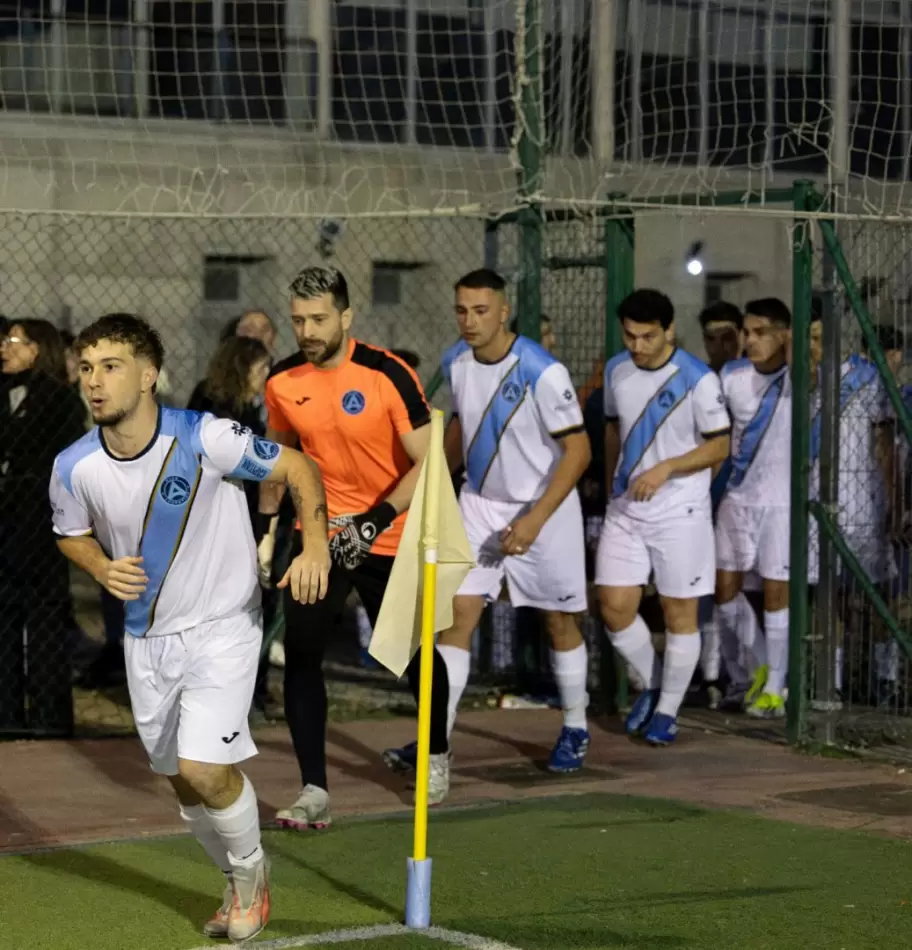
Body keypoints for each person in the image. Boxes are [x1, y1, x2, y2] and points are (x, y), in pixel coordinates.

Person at [49, 313, 331, 942]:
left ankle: (253, 878)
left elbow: (299, 469)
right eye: (88, 369)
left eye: (112, 367)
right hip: (146, 639)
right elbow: (69, 534)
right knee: (179, 776)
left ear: (149, 376)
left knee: (203, 766)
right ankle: (234, 876)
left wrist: (314, 546)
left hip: (224, 626)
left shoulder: (207, 437)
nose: (95, 382)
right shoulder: (73, 466)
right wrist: (100, 563)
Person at [257, 265, 452, 825]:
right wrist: (264, 533)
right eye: (298, 320)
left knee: (413, 655)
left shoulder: (386, 373)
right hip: (322, 537)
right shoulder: (283, 380)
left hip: (388, 531)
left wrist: (377, 517)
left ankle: (435, 753)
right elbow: (279, 461)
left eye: (319, 319)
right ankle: (314, 787)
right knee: (302, 653)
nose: (307, 330)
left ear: (346, 317)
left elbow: (429, 460)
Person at [386, 269, 593, 772]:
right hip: (478, 504)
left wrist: (536, 519)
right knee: (455, 620)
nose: (469, 321)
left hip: (545, 508)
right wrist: (438, 478)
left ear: (503, 312)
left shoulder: (543, 371)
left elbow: (579, 451)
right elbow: (462, 427)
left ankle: (576, 727)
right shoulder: (456, 361)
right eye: (461, 310)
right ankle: (437, 742)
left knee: (558, 622)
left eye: (480, 311)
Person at [596, 289, 731, 746]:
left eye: (648, 336)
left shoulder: (697, 380)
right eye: (630, 336)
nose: (637, 346)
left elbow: (720, 445)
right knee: (614, 606)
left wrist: (669, 469)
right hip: (626, 506)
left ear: (669, 331)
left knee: (679, 613)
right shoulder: (616, 370)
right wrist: (613, 477)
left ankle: (668, 711)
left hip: (679, 509)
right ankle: (654, 683)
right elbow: (614, 427)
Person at [0, 318, 87, 733]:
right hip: (5, 524)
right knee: (4, 619)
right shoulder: (4, 393)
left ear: (39, 349)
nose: (6, 347)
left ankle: (51, 719)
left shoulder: (61, 401)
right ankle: (7, 715)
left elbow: (54, 461)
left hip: (40, 524)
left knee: (46, 619)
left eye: (16, 340)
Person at [714, 298, 796, 720]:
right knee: (724, 589)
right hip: (738, 496)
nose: (750, 340)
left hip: (782, 502)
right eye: (747, 332)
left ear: (783, 335)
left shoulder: (800, 378)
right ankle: (762, 664)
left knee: (776, 594)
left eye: (761, 332)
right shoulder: (732, 376)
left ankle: (777, 688)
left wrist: (796, 349)